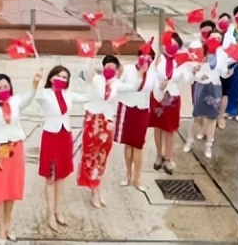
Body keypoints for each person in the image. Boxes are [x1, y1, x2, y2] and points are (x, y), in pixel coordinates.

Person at [0, 71, 41, 244]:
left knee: (12, 188)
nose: (3, 89)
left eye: (5, 86)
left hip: (15, 147)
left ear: (10, 87)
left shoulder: (16, 101)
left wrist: (35, 84)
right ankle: (0, 228)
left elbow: (30, 96)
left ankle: (8, 225)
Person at [77, 55, 138, 208]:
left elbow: (134, 85)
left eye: (113, 67)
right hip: (92, 121)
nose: (109, 69)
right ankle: (92, 186)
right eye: (107, 66)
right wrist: (91, 54)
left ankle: (96, 187)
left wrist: (124, 69)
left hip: (106, 123)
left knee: (102, 156)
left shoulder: (117, 84)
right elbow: (87, 71)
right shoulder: (97, 80)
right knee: (90, 154)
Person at [36, 65, 88, 232]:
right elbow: (35, 95)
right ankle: (50, 214)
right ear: (51, 78)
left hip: (65, 137)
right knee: (50, 177)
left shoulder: (69, 95)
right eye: (59, 76)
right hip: (51, 137)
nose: (62, 79)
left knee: (61, 177)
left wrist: (93, 78)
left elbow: (88, 97)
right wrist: (36, 81)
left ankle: (59, 211)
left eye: (65, 77)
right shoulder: (45, 94)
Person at [114, 49, 157, 192]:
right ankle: (128, 174)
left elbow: (156, 92)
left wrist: (163, 85)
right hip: (127, 108)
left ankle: (137, 178)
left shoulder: (152, 73)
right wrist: (137, 79)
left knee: (138, 145)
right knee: (128, 144)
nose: (145, 60)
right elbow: (117, 86)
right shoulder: (128, 69)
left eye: (149, 57)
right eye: (143, 56)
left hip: (142, 110)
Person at [150, 32, 190, 175]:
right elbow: (152, 73)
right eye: (168, 44)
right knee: (158, 127)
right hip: (158, 95)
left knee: (169, 128)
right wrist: (159, 84)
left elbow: (186, 79)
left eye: (174, 45)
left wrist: (192, 68)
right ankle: (158, 155)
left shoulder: (180, 61)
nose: (170, 47)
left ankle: (168, 157)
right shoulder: (159, 58)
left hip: (172, 96)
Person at [184, 34, 226, 158]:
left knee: (212, 117)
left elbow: (223, 74)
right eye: (213, 38)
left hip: (215, 87)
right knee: (196, 116)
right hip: (201, 86)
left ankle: (209, 144)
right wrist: (197, 73)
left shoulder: (222, 56)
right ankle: (189, 140)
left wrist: (228, 72)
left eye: (218, 38)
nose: (215, 41)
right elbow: (191, 71)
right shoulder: (199, 53)